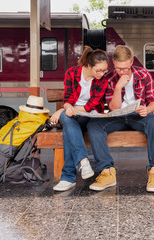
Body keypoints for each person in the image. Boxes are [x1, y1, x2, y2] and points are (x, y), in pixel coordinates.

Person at [87, 45, 154, 193]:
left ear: (131, 61)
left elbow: (153, 101)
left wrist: (147, 109)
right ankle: (107, 172)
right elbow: (114, 108)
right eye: (118, 68)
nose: (122, 71)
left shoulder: (143, 74)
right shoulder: (109, 77)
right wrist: (118, 87)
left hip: (138, 117)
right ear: (113, 63)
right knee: (94, 124)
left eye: (125, 68)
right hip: (118, 117)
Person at [50, 46, 109, 192]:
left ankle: (68, 177)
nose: (102, 74)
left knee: (67, 122)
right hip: (73, 116)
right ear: (89, 66)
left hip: (90, 117)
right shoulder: (72, 73)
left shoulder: (103, 81)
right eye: (99, 70)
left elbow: (90, 106)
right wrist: (66, 108)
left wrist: (64, 110)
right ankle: (83, 161)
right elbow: (68, 98)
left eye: (104, 70)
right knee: (69, 124)